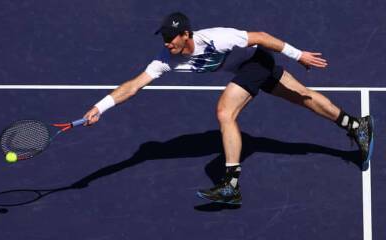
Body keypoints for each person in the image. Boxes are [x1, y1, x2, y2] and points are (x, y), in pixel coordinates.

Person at [83, 12, 374, 205]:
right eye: (164, 38)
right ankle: (356, 126)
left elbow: (259, 36)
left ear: (186, 34)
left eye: (171, 37)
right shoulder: (165, 59)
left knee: (225, 111)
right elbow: (133, 85)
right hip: (248, 69)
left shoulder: (217, 37)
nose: (167, 42)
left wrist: (299, 56)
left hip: (255, 62)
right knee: (303, 97)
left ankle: (230, 185)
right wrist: (100, 107)